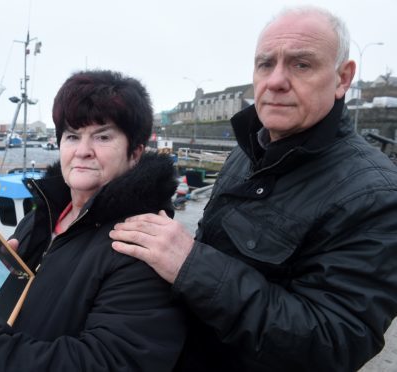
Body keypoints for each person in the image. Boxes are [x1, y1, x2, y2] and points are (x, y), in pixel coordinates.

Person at [110, 6, 397, 371]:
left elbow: (334, 343)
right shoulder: (246, 152)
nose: (276, 80)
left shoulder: (376, 195)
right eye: (265, 64)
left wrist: (192, 264)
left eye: (301, 64)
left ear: (343, 78)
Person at [0, 70, 186, 371]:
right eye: (72, 135)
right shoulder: (44, 216)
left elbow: (109, 362)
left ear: (135, 153)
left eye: (102, 136)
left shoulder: (143, 246)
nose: (82, 151)